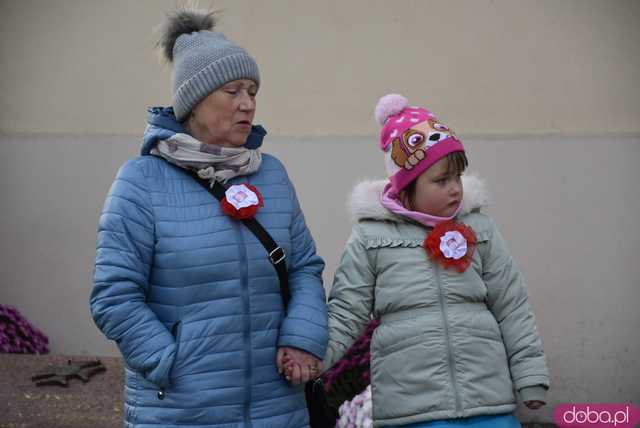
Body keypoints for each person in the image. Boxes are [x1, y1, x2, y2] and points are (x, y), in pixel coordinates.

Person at [90, 8, 327, 427]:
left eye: (252, 91)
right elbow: (114, 297)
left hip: (278, 408)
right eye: (233, 90)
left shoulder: (270, 173)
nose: (248, 103)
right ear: (194, 100)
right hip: (182, 410)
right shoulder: (141, 182)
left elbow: (305, 267)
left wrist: (303, 338)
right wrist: (170, 362)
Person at [295, 94, 550, 427]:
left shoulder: (480, 229)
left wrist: (530, 373)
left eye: (457, 177)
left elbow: (512, 305)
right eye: (441, 181)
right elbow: (347, 310)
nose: (455, 189)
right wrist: (312, 358)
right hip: (411, 410)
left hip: (488, 403)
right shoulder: (371, 237)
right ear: (406, 187)